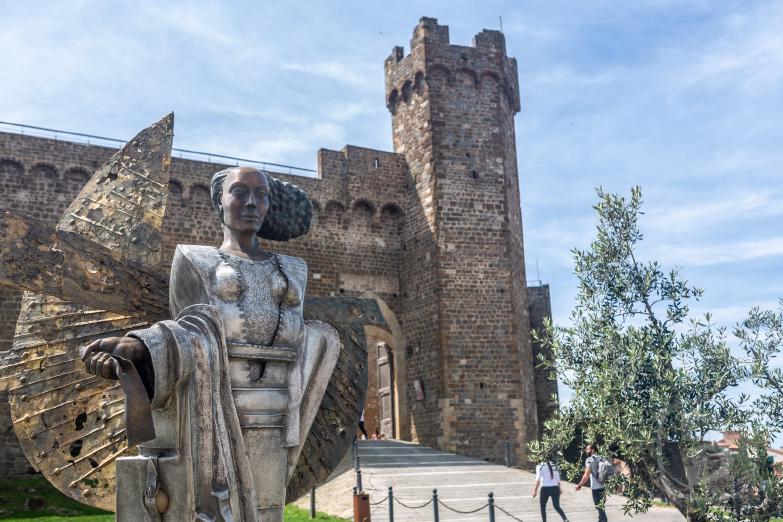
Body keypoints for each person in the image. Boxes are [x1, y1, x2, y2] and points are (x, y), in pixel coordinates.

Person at [81, 167, 339, 521]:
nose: (251, 202)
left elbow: (303, 338)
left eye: (261, 195)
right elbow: (188, 331)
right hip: (215, 413)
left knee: (267, 511)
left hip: (279, 416)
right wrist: (143, 349)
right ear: (220, 200)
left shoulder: (293, 268)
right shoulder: (193, 260)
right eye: (239, 192)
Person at [576, 442, 608, 522]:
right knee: (601, 508)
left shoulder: (589, 460)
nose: (586, 451)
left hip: (596, 488)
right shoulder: (602, 458)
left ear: (593, 450)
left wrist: (580, 485)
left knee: (600, 509)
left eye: (587, 449)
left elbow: (586, 475)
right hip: (604, 488)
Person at [532, 458, 569, 522]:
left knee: (543, 507)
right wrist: (559, 488)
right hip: (555, 488)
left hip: (545, 489)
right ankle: (565, 519)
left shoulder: (539, 466)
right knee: (556, 506)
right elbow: (558, 478)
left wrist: (535, 490)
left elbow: (538, 479)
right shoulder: (553, 465)